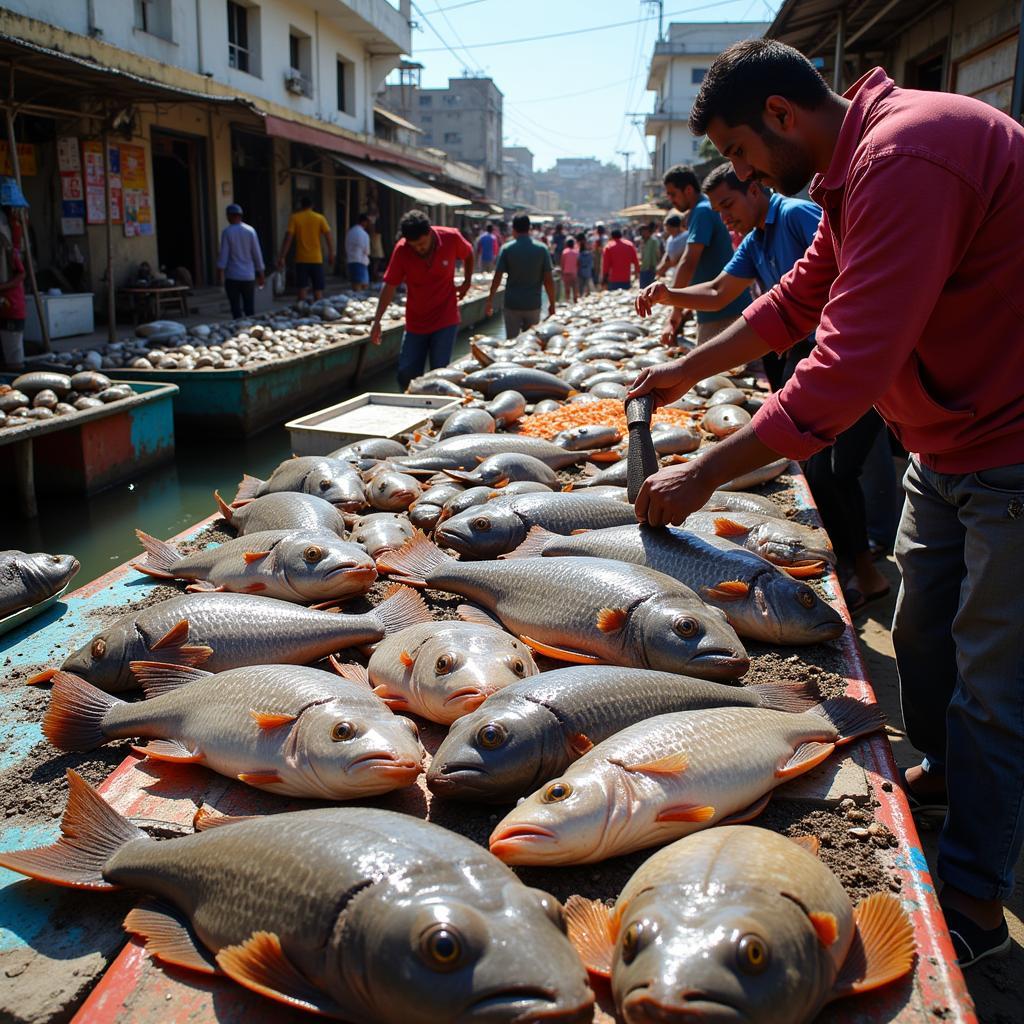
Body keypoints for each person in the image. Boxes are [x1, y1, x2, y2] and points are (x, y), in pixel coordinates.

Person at [626, 38, 1024, 968]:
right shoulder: (856, 172)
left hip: (1009, 447)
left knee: (994, 681)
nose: (740, 174)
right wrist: (687, 366)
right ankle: (943, 779)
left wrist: (702, 475)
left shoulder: (906, 156)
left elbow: (844, 368)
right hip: (948, 445)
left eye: (736, 154)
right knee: (922, 637)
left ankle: (972, 892)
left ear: (778, 116)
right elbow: (796, 300)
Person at [637, 163, 890, 608]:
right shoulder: (755, 240)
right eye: (717, 209)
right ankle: (851, 565)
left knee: (837, 472)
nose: (724, 216)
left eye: (729, 204)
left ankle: (865, 571)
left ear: (755, 189)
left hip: (844, 355)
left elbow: (839, 281)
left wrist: (703, 472)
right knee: (820, 470)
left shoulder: (795, 214)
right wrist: (668, 296)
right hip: (805, 352)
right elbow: (719, 292)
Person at [370, 210, 473, 390]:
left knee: (439, 372)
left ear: (430, 233)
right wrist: (377, 320)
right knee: (406, 372)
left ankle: (436, 413)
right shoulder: (402, 250)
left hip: (445, 317)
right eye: (414, 246)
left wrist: (467, 281)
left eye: (422, 244)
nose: (419, 249)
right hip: (416, 322)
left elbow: (469, 253)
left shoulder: (451, 237)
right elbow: (389, 285)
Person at [661, 164, 749, 346]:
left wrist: (674, 310)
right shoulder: (699, 211)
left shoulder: (702, 211)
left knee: (718, 371)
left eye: (673, 194)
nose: (670, 200)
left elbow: (688, 261)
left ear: (688, 190)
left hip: (721, 311)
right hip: (717, 306)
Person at [486, 213, 555, 339]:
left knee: (511, 342)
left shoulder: (507, 249)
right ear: (530, 228)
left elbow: (497, 277)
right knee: (531, 342)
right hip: (533, 304)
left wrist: (490, 300)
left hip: (512, 304)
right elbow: (548, 280)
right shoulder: (542, 249)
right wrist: (552, 303)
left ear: (513, 229)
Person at [277, 195, 334, 301]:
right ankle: (318, 314)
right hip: (316, 259)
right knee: (318, 290)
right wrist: (331, 253)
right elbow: (328, 236)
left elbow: (288, 238)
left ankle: (302, 312)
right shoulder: (319, 218)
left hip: (301, 259)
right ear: (312, 205)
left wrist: (282, 256)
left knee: (302, 289)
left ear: (301, 205)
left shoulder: (295, 218)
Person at [215, 203, 265, 319]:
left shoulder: (227, 232)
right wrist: (261, 274)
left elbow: (223, 256)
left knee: (235, 308)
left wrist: (220, 275)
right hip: (248, 276)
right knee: (249, 307)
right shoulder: (250, 231)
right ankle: (252, 329)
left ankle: (238, 330)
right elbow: (257, 254)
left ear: (230, 216)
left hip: (232, 276)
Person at [0, 206, 26, 372]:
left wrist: (2, 287)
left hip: (12, 307)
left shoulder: (9, 250)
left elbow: (21, 274)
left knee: (13, 356)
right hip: (7, 307)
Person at [345, 212, 371, 291]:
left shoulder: (350, 232)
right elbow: (367, 251)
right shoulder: (363, 234)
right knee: (361, 285)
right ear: (364, 222)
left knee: (355, 283)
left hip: (351, 260)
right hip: (360, 261)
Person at [656, 213, 686, 279]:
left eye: (666, 227)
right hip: (673, 271)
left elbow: (674, 260)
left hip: (683, 271)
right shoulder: (670, 238)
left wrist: (662, 268)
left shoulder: (685, 237)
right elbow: (667, 254)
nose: (666, 229)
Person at [638, 222, 661, 288]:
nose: (644, 233)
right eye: (642, 232)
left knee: (650, 288)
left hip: (651, 268)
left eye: (645, 231)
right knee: (643, 288)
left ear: (649, 232)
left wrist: (656, 265)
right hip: (643, 267)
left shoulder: (654, 241)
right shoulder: (642, 241)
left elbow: (657, 253)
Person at [559, 237, 580, 304]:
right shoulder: (576, 252)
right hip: (574, 273)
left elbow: (562, 263)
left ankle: (567, 302)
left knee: (567, 289)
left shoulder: (564, 252)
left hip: (566, 273)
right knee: (575, 289)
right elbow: (578, 263)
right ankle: (575, 302)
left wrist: (562, 272)